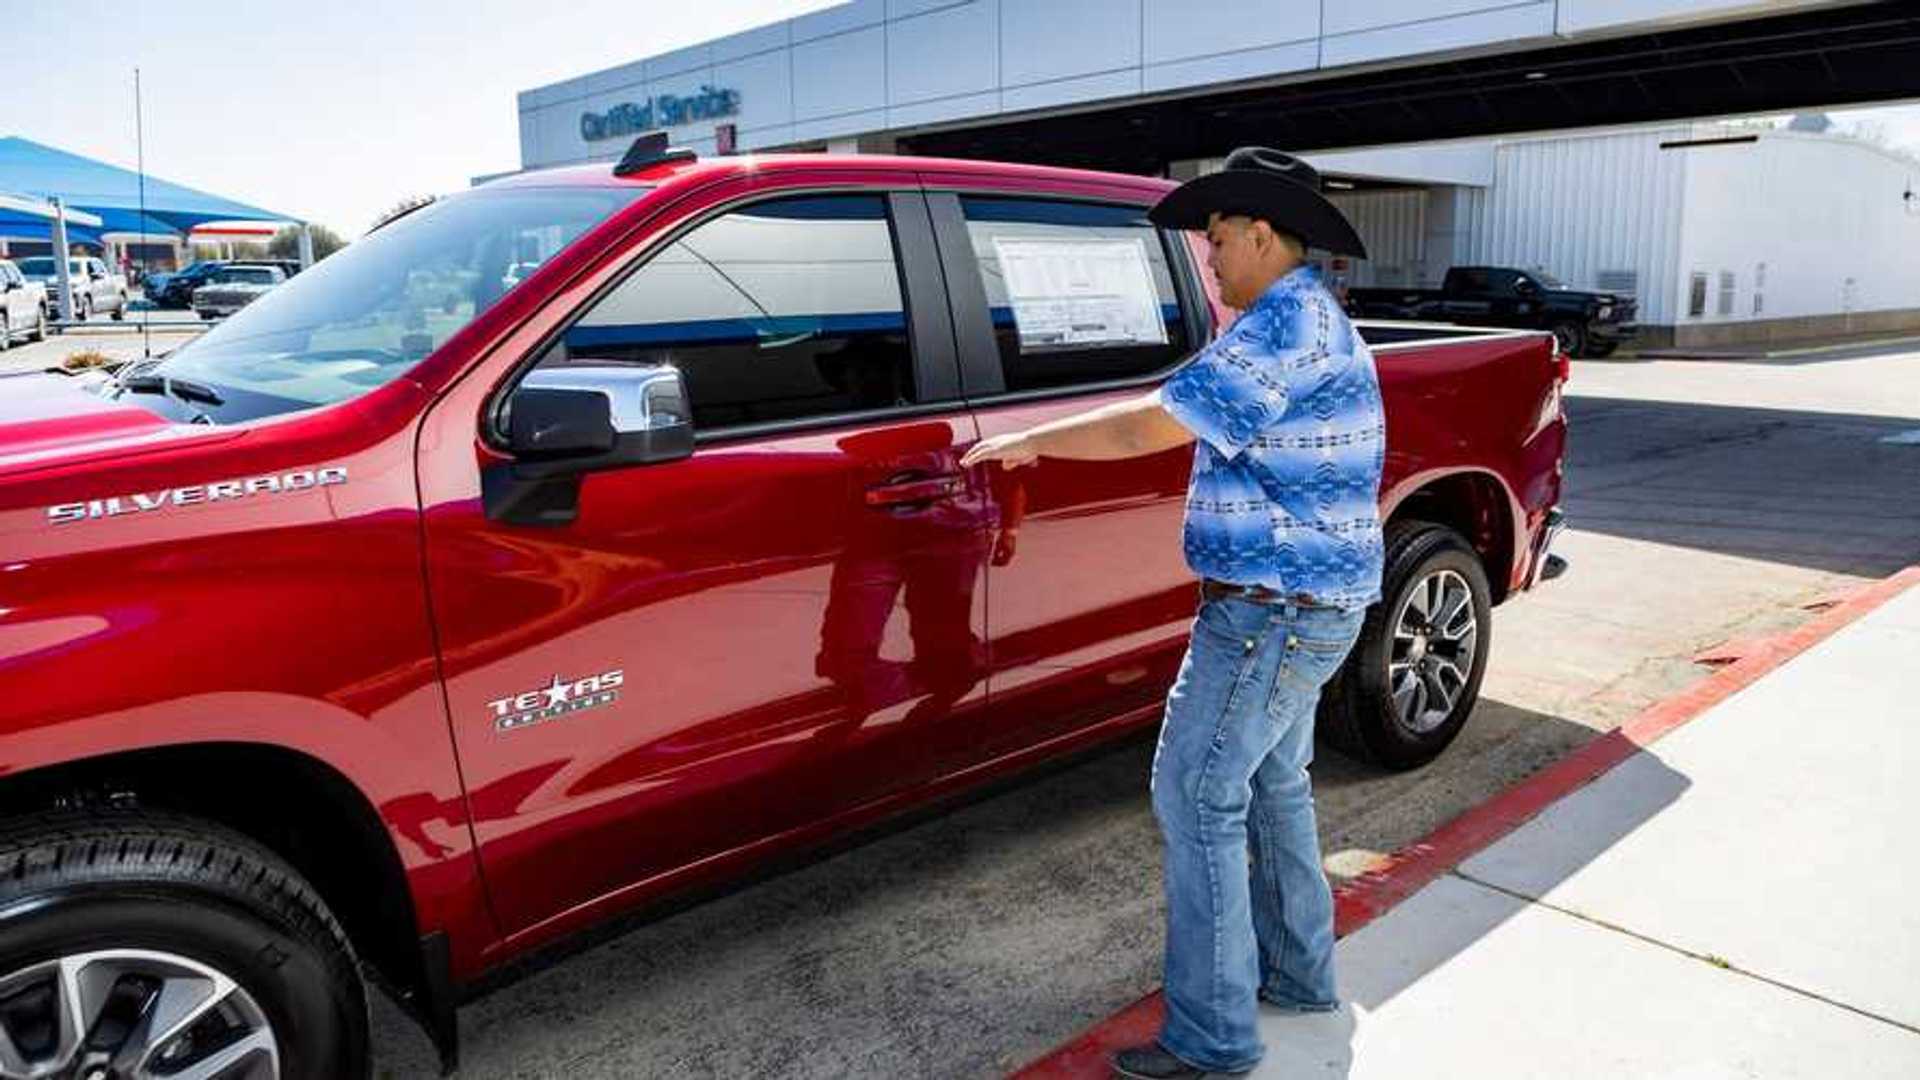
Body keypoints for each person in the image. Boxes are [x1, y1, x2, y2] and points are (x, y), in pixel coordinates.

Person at [960, 147, 1385, 1079]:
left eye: (1220, 238)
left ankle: (1214, 1039)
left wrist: (1028, 443)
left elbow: (1149, 423)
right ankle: (1300, 977)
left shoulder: (1282, 323)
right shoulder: (1317, 315)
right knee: (1271, 790)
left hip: (1270, 611)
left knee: (1194, 796)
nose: (1211, 257)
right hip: (1310, 601)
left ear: (1264, 235)